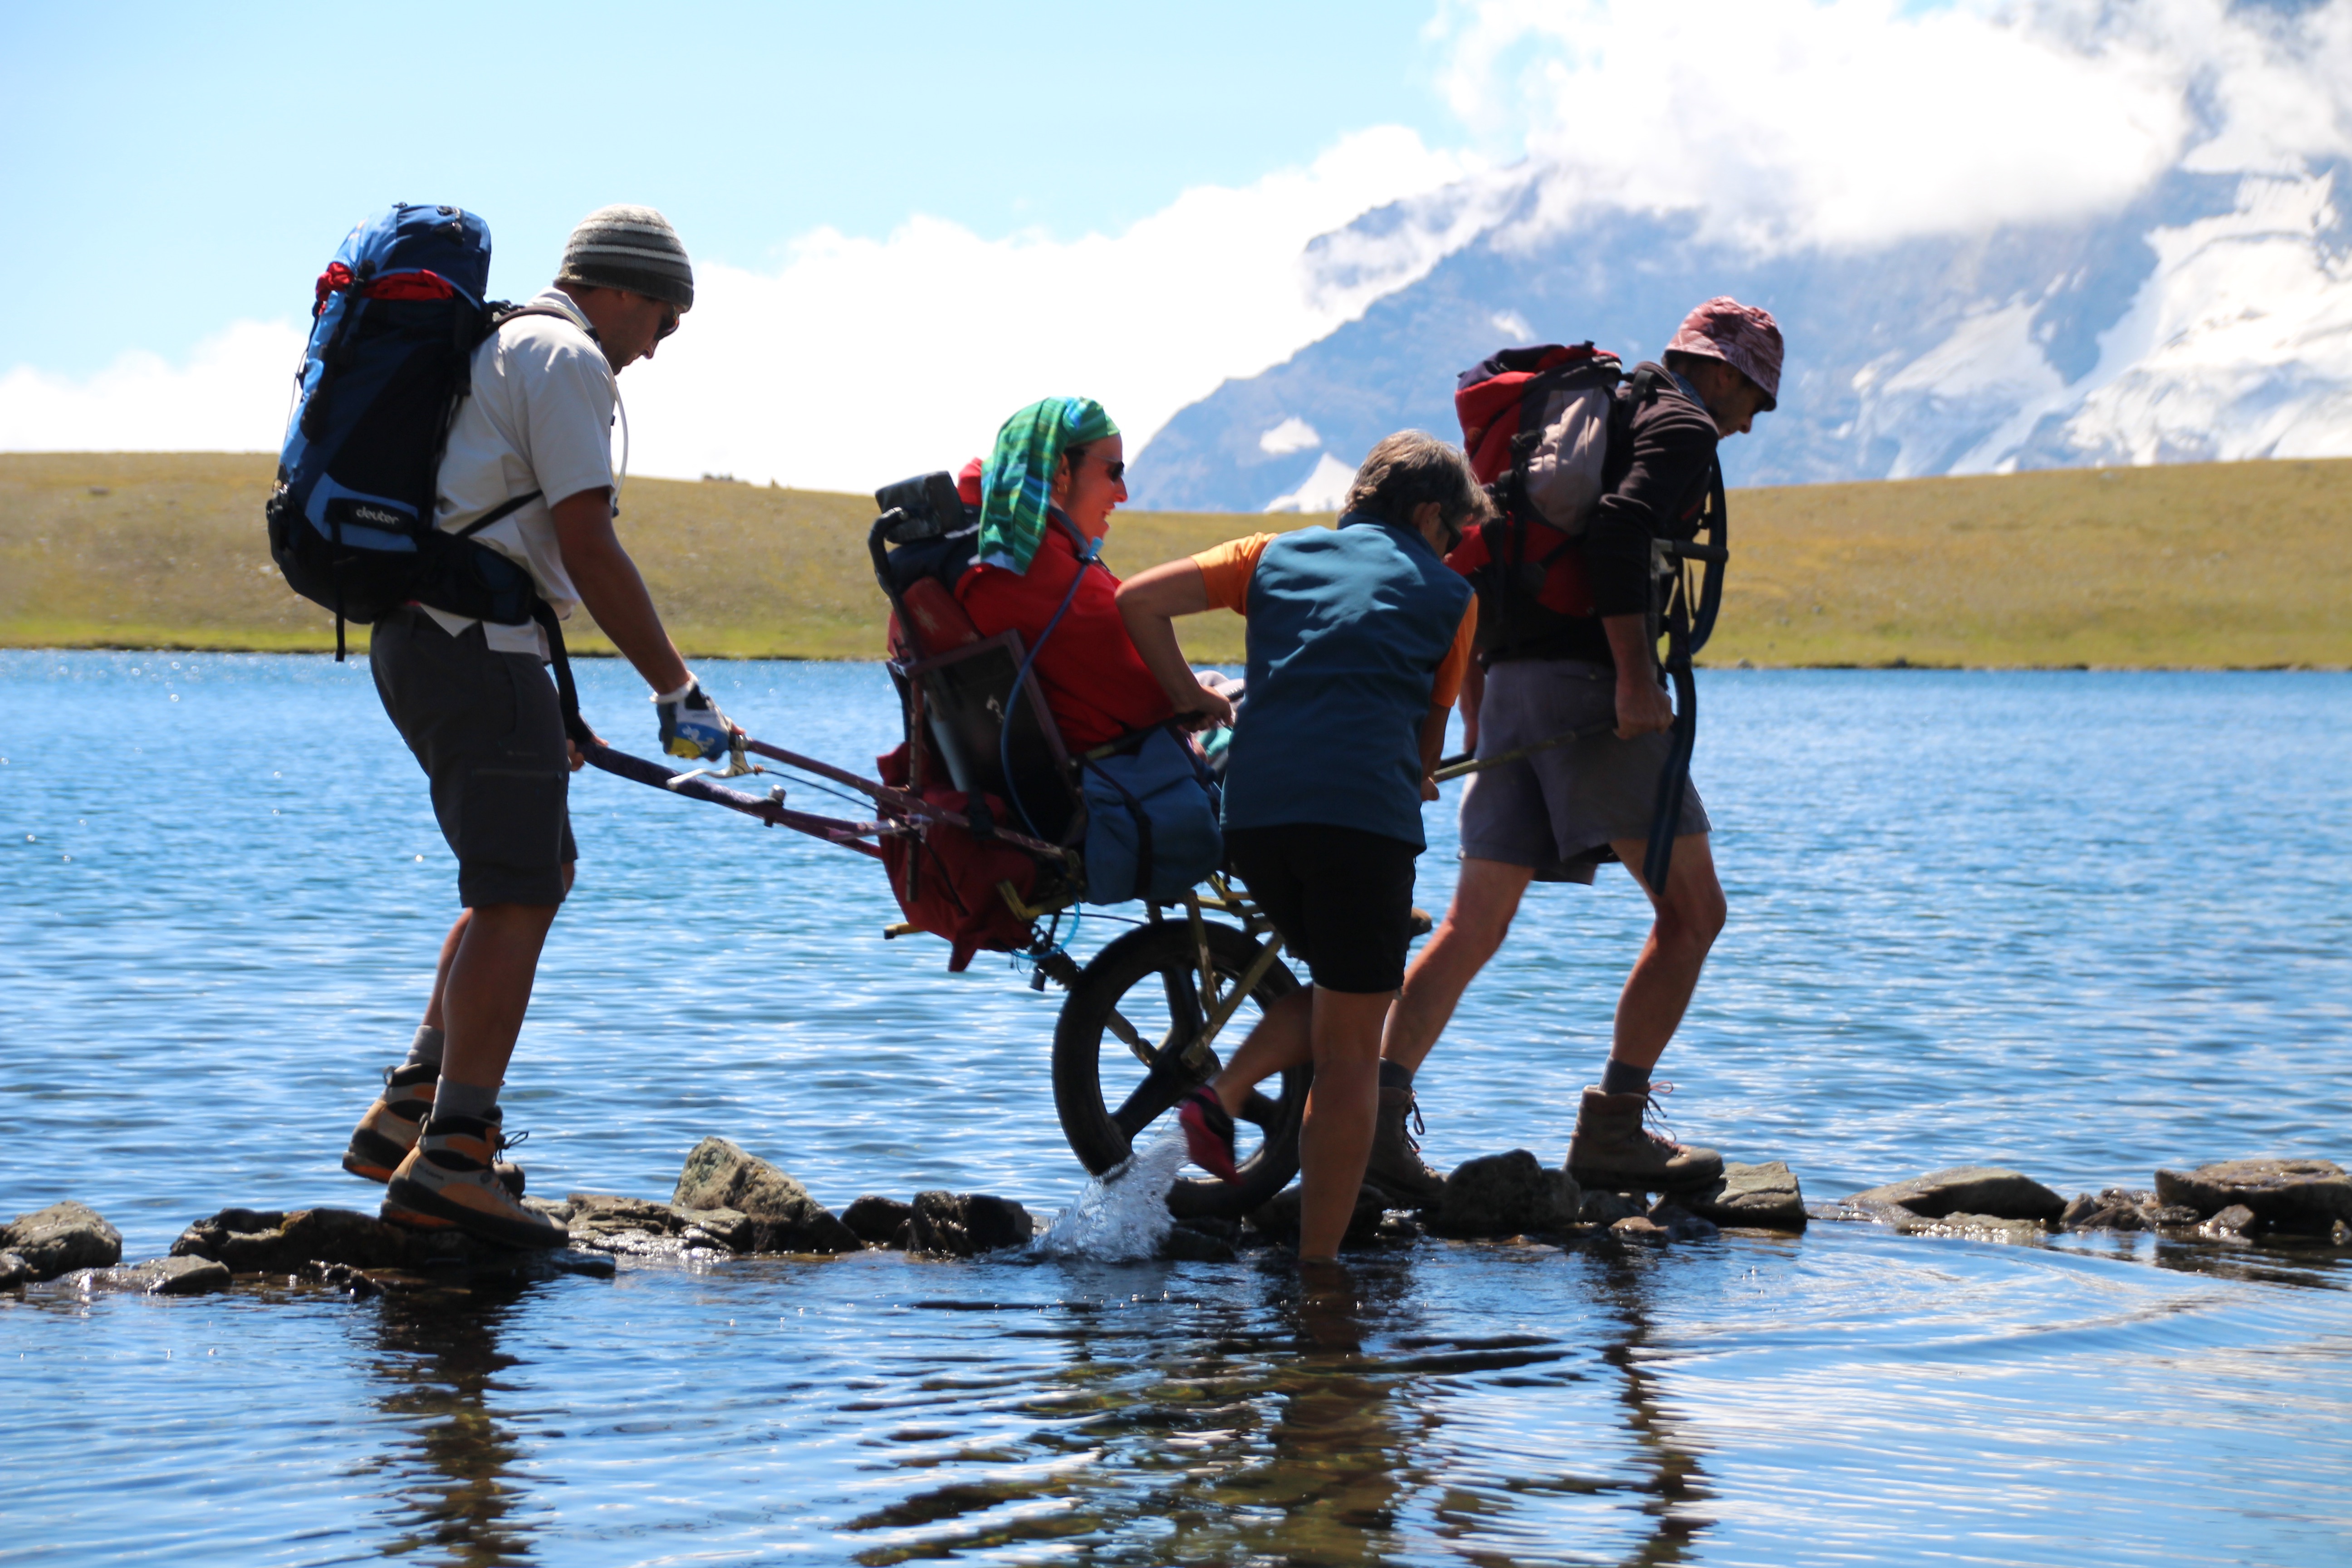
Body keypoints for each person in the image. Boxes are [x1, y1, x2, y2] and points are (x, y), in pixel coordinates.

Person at [342, 205, 735, 1249]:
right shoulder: (563, 357)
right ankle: (455, 1156)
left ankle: (410, 1112)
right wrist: (675, 689)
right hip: (470, 643)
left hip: (447, 640)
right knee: (516, 890)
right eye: (663, 314)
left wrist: (551, 702)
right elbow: (585, 543)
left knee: (525, 875)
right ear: (615, 286)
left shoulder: (510, 343)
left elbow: (511, 539)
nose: (660, 342)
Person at [1367, 297, 1784, 1200]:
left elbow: (1502, 559)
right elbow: (1622, 534)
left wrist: (1481, 706)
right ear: (1719, 371)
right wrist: (1636, 677)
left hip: (1514, 685)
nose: (1754, 418)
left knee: (1471, 925)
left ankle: (1370, 1124)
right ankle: (1613, 1132)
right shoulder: (1677, 423)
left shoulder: (1590, 418)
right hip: (1590, 693)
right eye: (1757, 394)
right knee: (1696, 914)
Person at [1116, 431, 1485, 1262]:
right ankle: (1319, 1283)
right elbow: (1424, 751)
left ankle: (1226, 1095)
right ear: (1428, 514)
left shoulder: (1267, 555)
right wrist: (1412, 776)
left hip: (1251, 823)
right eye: (1453, 534)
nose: (1454, 550)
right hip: (1361, 826)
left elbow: (1136, 599)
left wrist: (1189, 698)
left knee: (1339, 993)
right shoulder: (1451, 599)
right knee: (1353, 1053)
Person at [953, 397, 1175, 755]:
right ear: (1061, 471)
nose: (1123, 493)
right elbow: (1163, 695)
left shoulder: (964, 546)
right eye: (1114, 472)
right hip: (1106, 769)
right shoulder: (1035, 571)